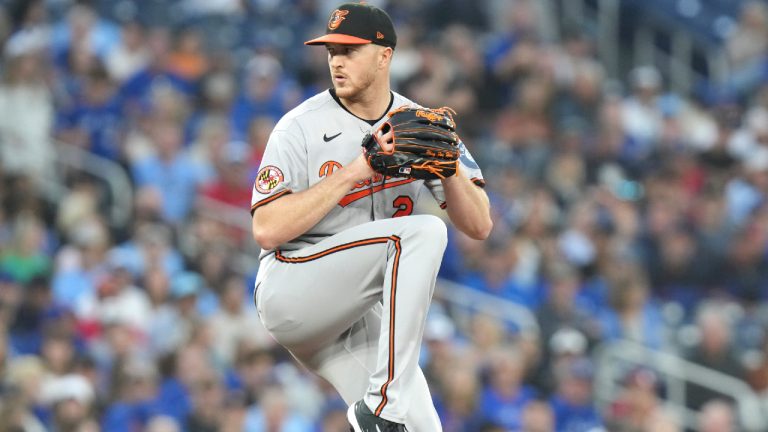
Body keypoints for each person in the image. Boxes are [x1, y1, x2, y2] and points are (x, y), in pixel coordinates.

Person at [249, 3, 492, 431]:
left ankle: (383, 412)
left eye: (350, 50)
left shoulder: (419, 124)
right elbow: (266, 230)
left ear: (385, 55)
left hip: (354, 310)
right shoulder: (300, 126)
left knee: (423, 427)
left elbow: (479, 225)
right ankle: (381, 407)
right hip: (293, 286)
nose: (336, 61)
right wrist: (357, 170)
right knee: (421, 233)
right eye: (331, 52)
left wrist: (450, 164)